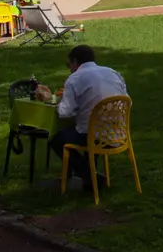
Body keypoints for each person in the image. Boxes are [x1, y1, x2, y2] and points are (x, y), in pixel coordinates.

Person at [49, 44, 128, 189]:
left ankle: (89, 175)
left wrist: (58, 103)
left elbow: (65, 113)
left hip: (93, 136)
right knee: (90, 125)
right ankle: (90, 177)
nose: (69, 69)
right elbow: (127, 101)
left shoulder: (74, 79)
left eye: (69, 64)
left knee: (56, 139)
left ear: (75, 62)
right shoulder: (113, 73)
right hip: (117, 133)